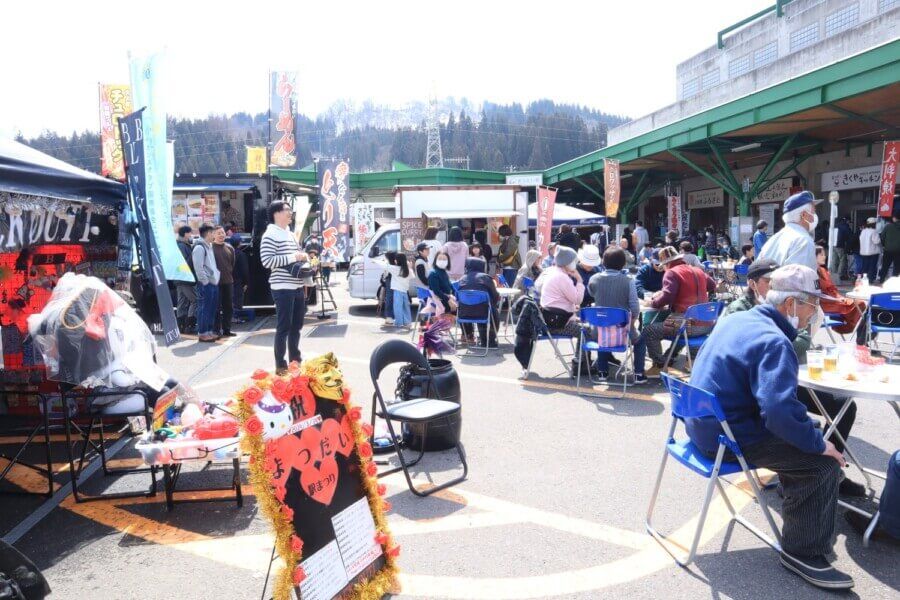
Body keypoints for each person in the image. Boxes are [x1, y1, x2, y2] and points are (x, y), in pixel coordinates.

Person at [688, 264, 854, 590]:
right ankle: (802, 552)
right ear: (791, 303)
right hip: (728, 436)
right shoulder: (775, 342)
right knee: (822, 464)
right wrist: (821, 445)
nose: (814, 313)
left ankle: (796, 497)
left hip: (700, 424)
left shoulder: (739, 318)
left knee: (804, 432)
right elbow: (777, 413)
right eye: (812, 304)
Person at [588, 246, 654, 383]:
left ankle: (602, 371)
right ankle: (638, 374)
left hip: (597, 332)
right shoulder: (628, 281)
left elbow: (591, 294)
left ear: (603, 262)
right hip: (622, 331)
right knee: (640, 341)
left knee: (603, 333)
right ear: (623, 263)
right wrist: (632, 320)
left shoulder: (594, 278)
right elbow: (635, 307)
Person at [642, 246, 716, 369]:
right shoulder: (697, 270)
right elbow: (712, 284)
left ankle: (660, 365)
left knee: (650, 331)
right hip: (707, 324)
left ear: (667, 263)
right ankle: (691, 362)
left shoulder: (672, 272)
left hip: (686, 324)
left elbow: (667, 297)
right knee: (682, 328)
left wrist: (652, 302)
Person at [260, 201, 309, 375]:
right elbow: (267, 261)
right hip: (282, 287)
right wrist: (294, 256)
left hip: (297, 286)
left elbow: (295, 257)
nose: (290, 213)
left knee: (296, 326)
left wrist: (304, 257)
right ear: (276, 213)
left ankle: (295, 361)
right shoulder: (270, 235)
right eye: (287, 210)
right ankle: (280, 365)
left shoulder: (289, 233)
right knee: (284, 328)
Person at [757, 190, 820, 271]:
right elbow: (801, 280)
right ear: (804, 215)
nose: (814, 216)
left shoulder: (774, 239)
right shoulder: (803, 241)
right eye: (813, 212)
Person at [816, 246, 866, 341]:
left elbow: (833, 289)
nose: (824, 256)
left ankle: (862, 337)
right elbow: (817, 294)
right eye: (821, 254)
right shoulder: (813, 273)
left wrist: (839, 297)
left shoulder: (823, 271)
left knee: (862, 305)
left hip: (834, 299)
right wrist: (837, 299)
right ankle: (861, 337)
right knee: (860, 304)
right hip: (825, 303)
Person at [534, 246, 584, 339]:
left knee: (584, 329)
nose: (575, 263)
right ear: (567, 262)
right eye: (574, 261)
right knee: (587, 331)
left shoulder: (551, 271)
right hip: (558, 324)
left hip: (549, 321)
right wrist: (579, 281)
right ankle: (581, 354)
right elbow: (577, 299)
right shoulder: (562, 277)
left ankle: (580, 354)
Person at [458, 257, 500, 348]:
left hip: (464, 313)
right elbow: (495, 296)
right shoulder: (486, 278)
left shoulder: (462, 278)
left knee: (482, 307)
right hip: (483, 312)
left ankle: (470, 335)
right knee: (490, 309)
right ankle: (489, 340)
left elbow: (457, 296)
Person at [191, 224, 220, 343]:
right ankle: (203, 333)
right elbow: (198, 268)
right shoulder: (200, 247)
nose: (215, 234)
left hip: (213, 282)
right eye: (213, 232)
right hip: (206, 284)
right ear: (208, 233)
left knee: (211, 308)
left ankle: (208, 331)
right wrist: (205, 282)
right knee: (204, 308)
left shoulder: (209, 246)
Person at [212, 226, 235, 337]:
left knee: (228, 307)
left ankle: (227, 329)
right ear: (213, 235)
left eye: (222, 233)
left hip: (228, 281)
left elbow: (232, 264)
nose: (221, 235)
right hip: (215, 283)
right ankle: (216, 330)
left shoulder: (230, 248)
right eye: (218, 233)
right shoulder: (210, 248)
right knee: (216, 307)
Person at [175, 226, 197, 334]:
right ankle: (189, 324)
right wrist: (193, 253)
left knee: (182, 302)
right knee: (195, 300)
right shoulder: (182, 246)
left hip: (180, 278)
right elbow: (184, 264)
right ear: (185, 234)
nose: (191, 236)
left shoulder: (180, 245)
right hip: (185, 278)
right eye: (190, 233)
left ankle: (181, 326)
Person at [386, 253, 412, 329]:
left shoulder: (395, 269)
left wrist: (375, 261)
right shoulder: (407, 270)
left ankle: (399, 322)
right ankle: (407, 322)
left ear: (397, 261)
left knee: (397, 307)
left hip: (397, 291)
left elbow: (385, 266)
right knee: (405, 307)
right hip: (404, 291)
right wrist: (410, 268)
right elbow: (412, 276)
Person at [229, 234, 249, 317]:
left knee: (230, 299)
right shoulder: (241, 254)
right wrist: (246, 282)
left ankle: (231, 317)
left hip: (228, 280)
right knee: (238, 299)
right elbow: (245, 270)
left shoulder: (227, 252)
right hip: (238, 281)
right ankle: (236, 317)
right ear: (239, 243)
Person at [859, 217, 881, 282]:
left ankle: (863, 280)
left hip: (864, 252)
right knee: (872, 267)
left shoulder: (863, 231)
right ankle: (870, 280)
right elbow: (877, 241)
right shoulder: (874, 231)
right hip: (873, 252)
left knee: (864, 266)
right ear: (874, 224)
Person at [880, 211, 900, 283]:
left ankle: (882, 280)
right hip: (899, 251)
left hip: (888, 250)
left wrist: (884, 245)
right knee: (897, 267)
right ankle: (895, 282)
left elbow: (882, 238)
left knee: (885, 266)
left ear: (894, 218)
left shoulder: (888, 226)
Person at [834, 216, 852, 281]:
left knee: (835, 260)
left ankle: (833, 275)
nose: (850, 223)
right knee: (843, 260)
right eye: (849, 222)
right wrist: (849, 247)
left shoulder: (835, 225)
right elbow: (850, 237)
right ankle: (840, 275)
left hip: (833, 245)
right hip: (841, 245)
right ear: (847, 221)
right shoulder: (845, 227)